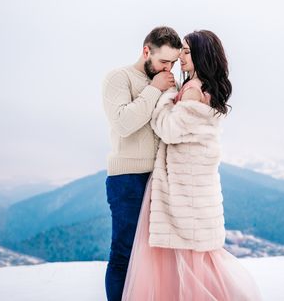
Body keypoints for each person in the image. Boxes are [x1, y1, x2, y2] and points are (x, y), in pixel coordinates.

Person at [121, 30, 263, 300]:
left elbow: (170, 130)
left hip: (183, 185)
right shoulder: (208, 89)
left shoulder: (191, 91)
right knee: (195, 258)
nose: (181, 57)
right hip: (197, 182)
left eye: (187, 52)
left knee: (181, 258)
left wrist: (165, 95)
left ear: (201, 55)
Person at [102, 26, 183, 301]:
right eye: (163, 61)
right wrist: (153, 89)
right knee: (124, 253)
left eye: (172, 63)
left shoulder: (166, 83)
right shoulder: (118, 78)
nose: (168, 68)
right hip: (127, 178)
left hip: (158, 176)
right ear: (146, 51)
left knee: (157, 254)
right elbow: (124, 124)